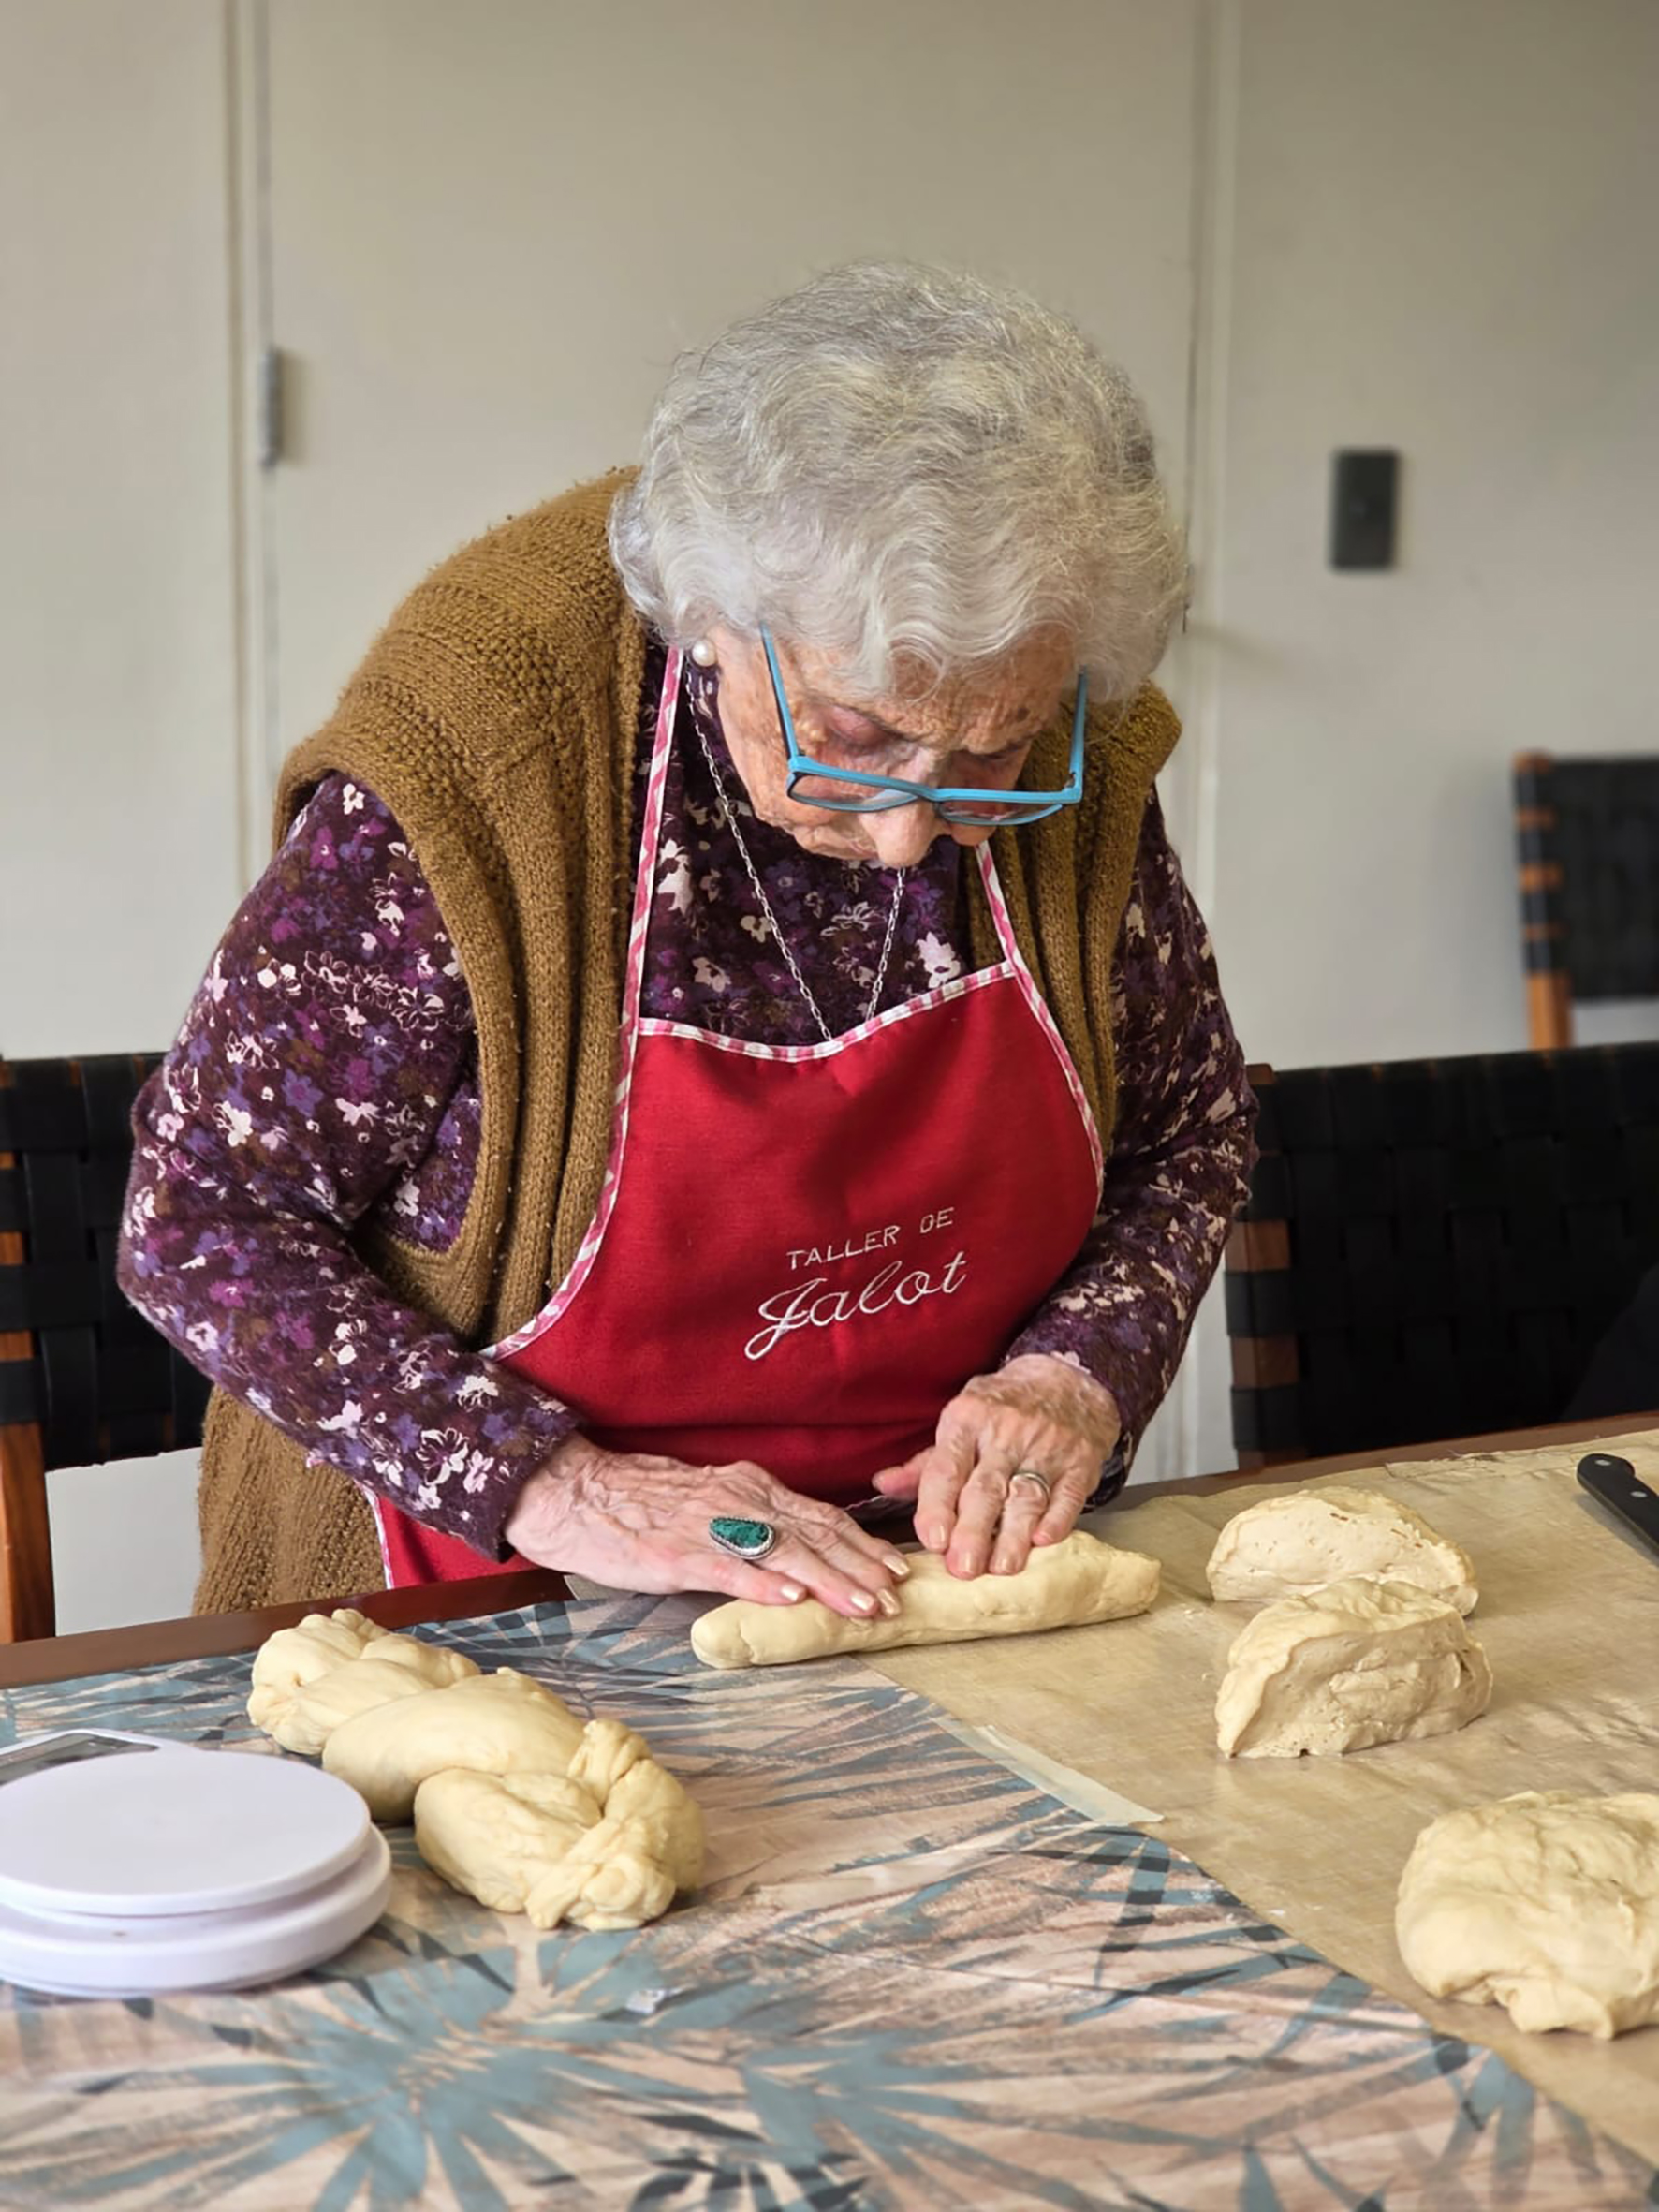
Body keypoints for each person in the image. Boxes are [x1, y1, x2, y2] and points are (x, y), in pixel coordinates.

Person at [118, 261, 1256, 1623]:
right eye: (856, 736)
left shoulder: (1068, 729)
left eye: (992, 754)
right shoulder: (488, 744)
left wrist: (1077, 1371)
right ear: (713, 622)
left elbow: (1192, 1135)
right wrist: (563, 1487)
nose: (910, 835)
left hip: (936, 1587)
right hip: (496, 1584)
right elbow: (204, 1217)